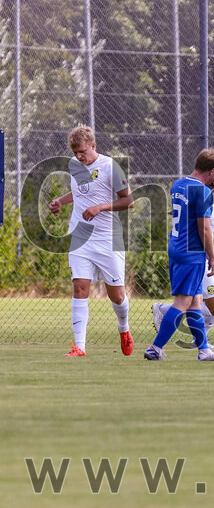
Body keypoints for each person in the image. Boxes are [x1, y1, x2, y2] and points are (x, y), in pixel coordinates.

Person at [48, 125, 134, 357]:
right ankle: (80, 347)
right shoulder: (74, 165)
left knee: (116, 295)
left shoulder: (110, 166)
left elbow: (129, 201)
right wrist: (60, 201)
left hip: (108, 238)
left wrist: (101, 207)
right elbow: (80, 192)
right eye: (75, 152)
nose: (78, 156)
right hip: (81, 237)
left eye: (82, 151)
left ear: (93, 146)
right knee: (80, 287)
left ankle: (124, 329)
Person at [143, 149, 214, 362]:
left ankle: (204, 350)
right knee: (182, 302)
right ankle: (155, 348)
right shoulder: (204, 192)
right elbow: (205, 229)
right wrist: (211, 256)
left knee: (195, 301)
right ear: (211, 171)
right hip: (192, 252)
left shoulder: (178, 184)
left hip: (177, 247)